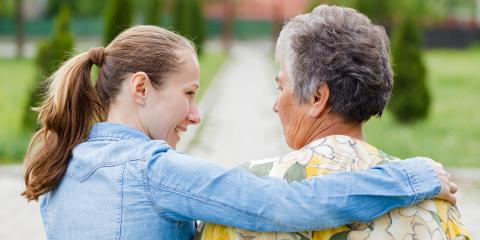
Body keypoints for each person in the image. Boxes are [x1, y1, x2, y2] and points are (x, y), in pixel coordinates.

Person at [22, 25, 456, 240]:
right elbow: (287, 204)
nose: (194, 115)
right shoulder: (154, 171)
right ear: (141, 87)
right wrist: (412, 176)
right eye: (189, 93)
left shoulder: (58, 169)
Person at [197, 5, 471, 240]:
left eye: (281, 87)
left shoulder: (244, 195)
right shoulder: (434, 198)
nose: (275, 104)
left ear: (318, 97)